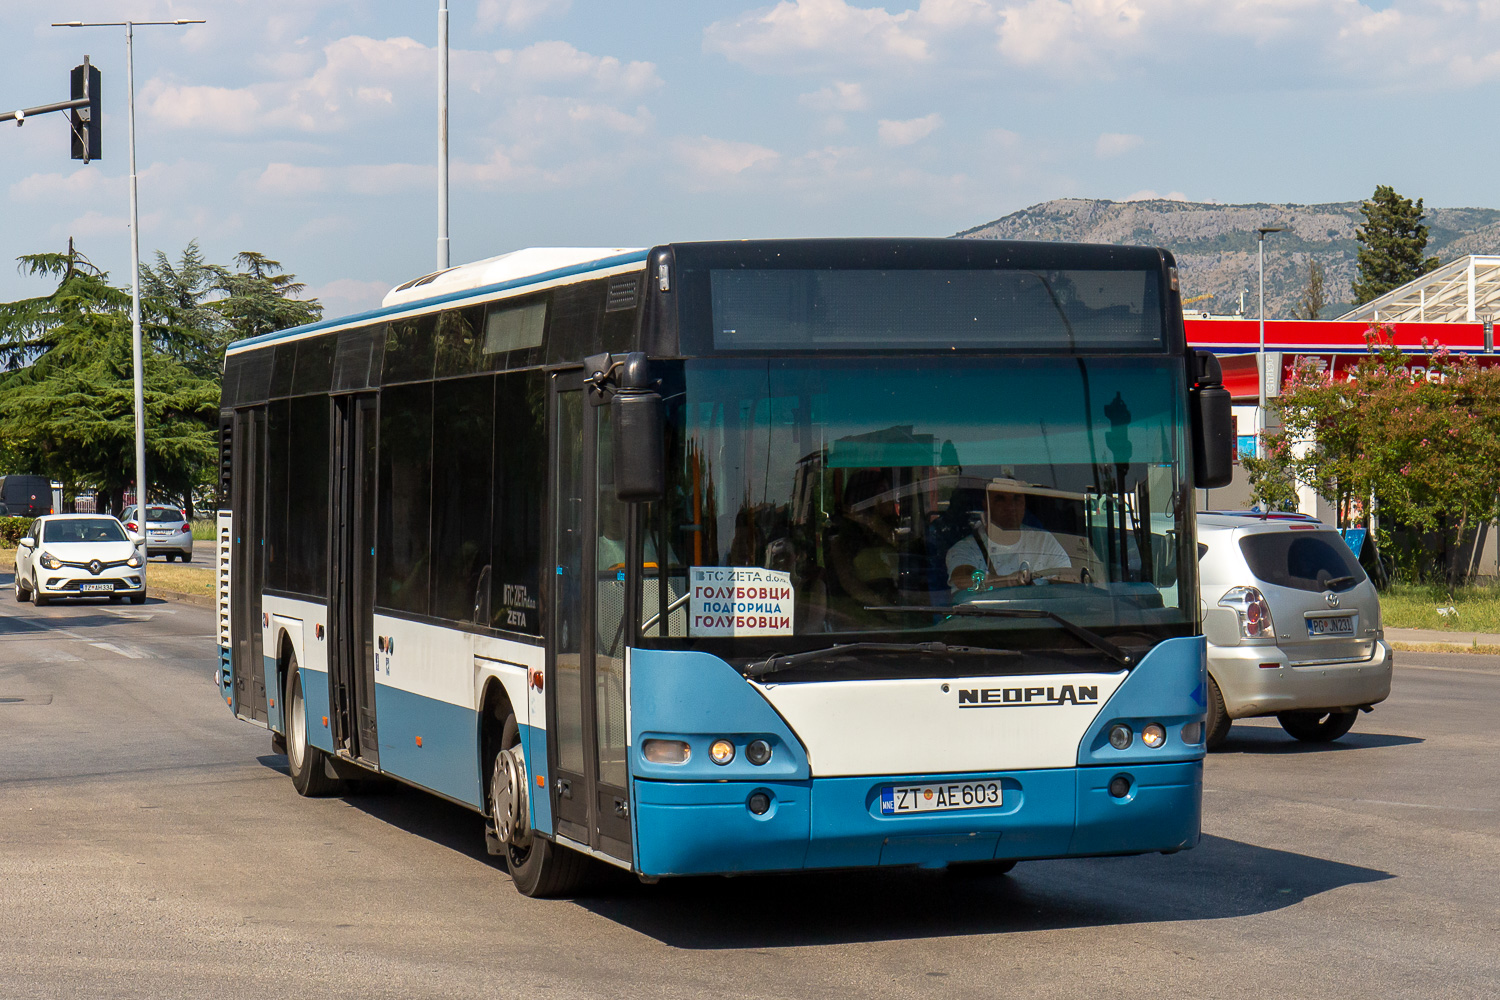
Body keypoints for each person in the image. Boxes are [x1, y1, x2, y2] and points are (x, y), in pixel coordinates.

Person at [946, 479, 1071, 592]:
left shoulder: (1044, 541)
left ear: (1024, 503)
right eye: (1000, 499)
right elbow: (962, 579)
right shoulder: (965, 549)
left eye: (1016, 498)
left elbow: (1066, 582)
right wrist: (1010, 581)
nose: (1011, 507)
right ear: (986, 505)